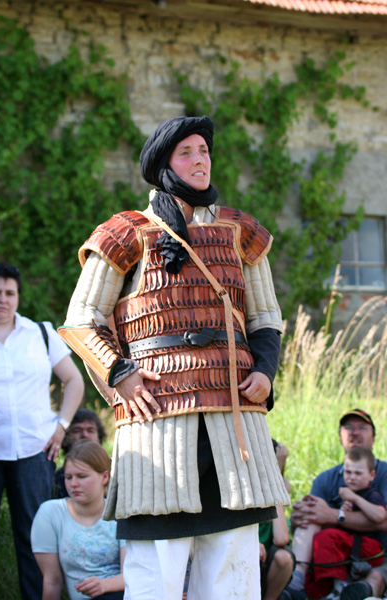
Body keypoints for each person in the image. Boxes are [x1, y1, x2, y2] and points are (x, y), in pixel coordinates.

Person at [58, 114, 290, 599]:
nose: (200, 160)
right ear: (165, 165)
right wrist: (120, 373)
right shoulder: (126, 232)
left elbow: (265, 318)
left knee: (233, 572)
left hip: (234, 421)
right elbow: (82, 318)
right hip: (156, 421)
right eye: (186, 152)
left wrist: (266, 371)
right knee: (155, 575)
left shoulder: (241, 232)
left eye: (204, 151)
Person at [0, 262, 84, 600]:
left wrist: (62, 426)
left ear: (18, 296)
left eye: (9, 292)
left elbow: (74, 380)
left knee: (35, 541)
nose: (3, 299)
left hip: (35, 450)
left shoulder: (40, 333)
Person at [281, 409, 387, 600]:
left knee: (376, 577)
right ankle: (296, 580)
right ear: (340, 437)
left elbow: (383, 520)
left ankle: (361, 593)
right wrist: (299, 518)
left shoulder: (385, 473)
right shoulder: (325, 479)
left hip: (377, 553)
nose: (355, 432)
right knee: (312, 512)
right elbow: (312, 517)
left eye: (362, 427)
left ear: (373, 438)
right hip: (333, 551)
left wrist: (333, 515)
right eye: (348, 428)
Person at [31, 440, 126, 600]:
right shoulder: (50, 513)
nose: (73, 484)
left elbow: (133, 574)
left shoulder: (121, 514)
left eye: (82, 476)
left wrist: (104, 585)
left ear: (104, 477)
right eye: (68, 477)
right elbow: (52, 581)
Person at [306, 447, 386, 600]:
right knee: (312, 578)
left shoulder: (372, 494)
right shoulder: (343, 496)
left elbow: (380, 515)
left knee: (327, 537)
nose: (352, 477)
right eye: (348, 472)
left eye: (358, 473)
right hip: (352, 547)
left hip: (371, 549)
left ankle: (339, 587)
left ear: (372, 475)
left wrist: (355, 499)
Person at [259, 439, 295, 600]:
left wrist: (276, 491)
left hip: (265, 566)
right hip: (241, 558)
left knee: (283, 557)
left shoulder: (275, 498)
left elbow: (281, 539)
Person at [53, 408, 107, 498]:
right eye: (77, 431)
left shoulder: (115, 471)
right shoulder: (57, 480)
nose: (85, 435)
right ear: (65, 437)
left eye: (90, 430)